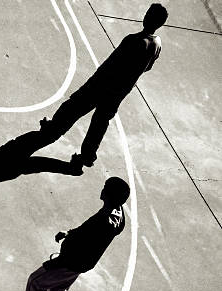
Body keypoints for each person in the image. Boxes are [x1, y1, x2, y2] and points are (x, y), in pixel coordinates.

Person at [39, 3, 168, 169]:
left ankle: (52, 129)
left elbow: (112, 64)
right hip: (120, 91)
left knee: (73, 106)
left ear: (148, 18)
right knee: (99, 123)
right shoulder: (157, 44)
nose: (146, 16)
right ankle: (87, 155)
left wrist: (95, 80)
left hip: (103, 84)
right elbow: (147, 67)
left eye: (148, 14)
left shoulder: (133, 40)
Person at [11, 177, 130, 291]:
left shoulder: (104, 220)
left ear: (110, 195)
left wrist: (58, 262)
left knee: (35, 282)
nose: (102, 190)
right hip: (81, 264)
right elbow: (87, 231)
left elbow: (86, 239)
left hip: (70, 262)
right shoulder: (117, 216)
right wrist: (69, 233)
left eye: (105, 188)